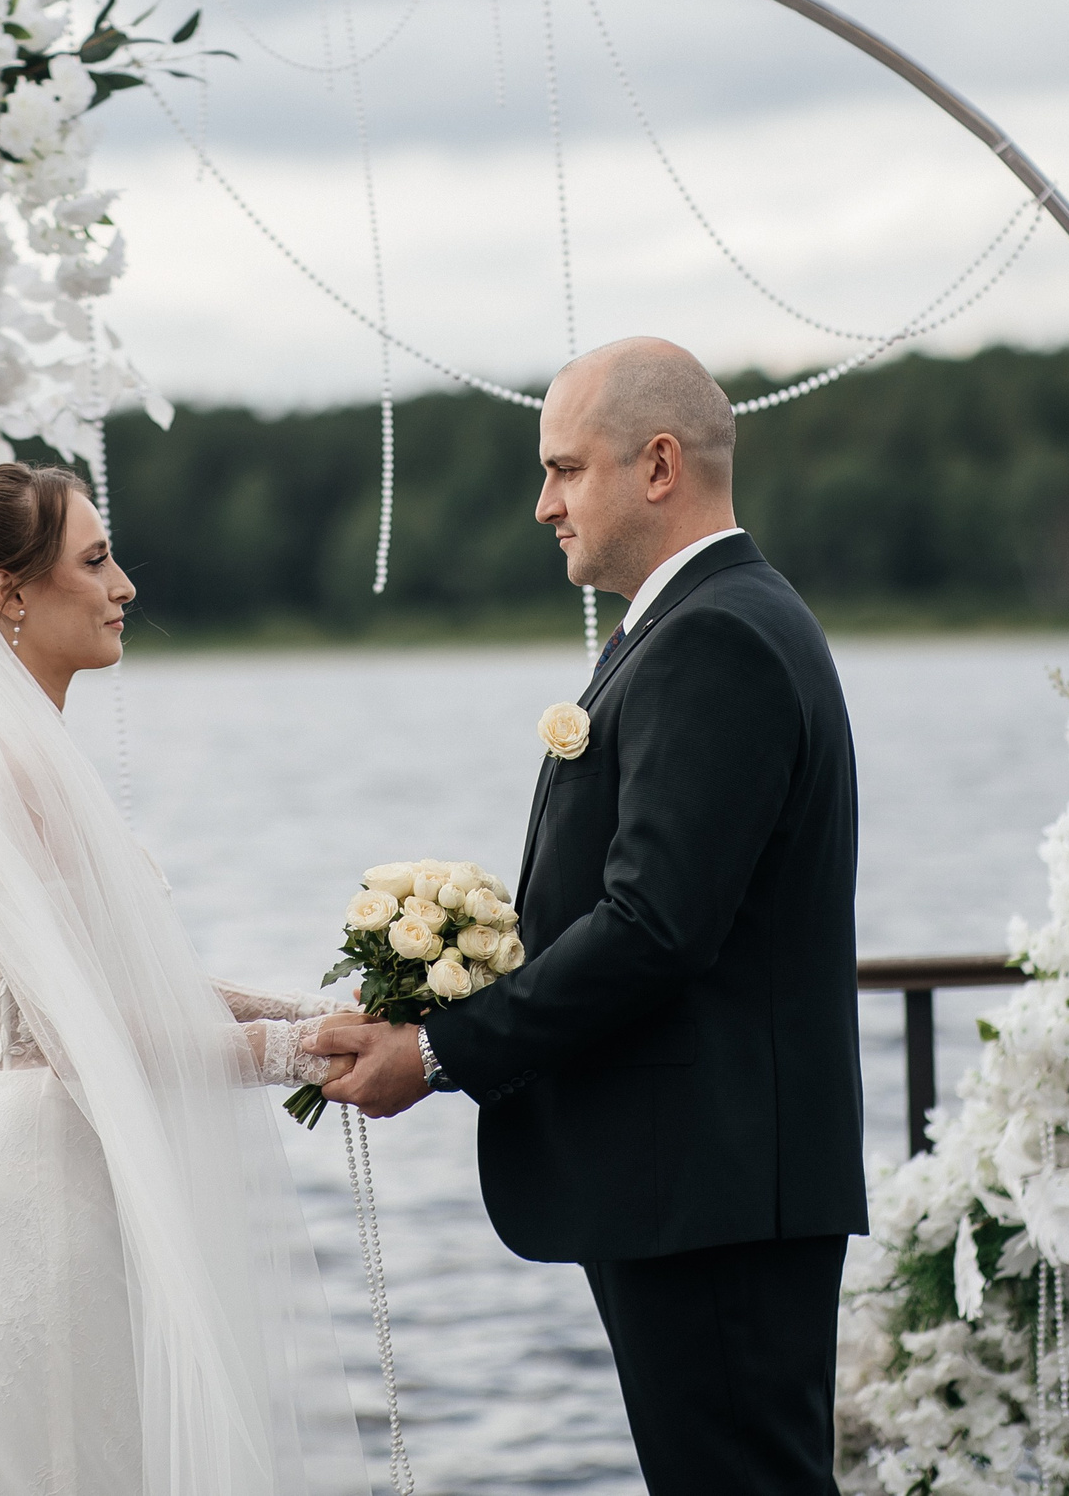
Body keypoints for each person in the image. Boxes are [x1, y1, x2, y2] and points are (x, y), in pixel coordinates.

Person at [323, 337, 868, 1496]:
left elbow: (655, 925)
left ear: (657, 465)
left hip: (709, 1190)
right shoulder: (708, 621)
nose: (543, 504)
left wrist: (439, 1050)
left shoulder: (713, 637)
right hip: (704, 1183)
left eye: (564, 468)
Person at [0, 438, 372, 1496]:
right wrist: (296, 1051)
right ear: (10, 593)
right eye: (96, 561)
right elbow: (83, 1035)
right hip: (41, 1192)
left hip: (75, 1167)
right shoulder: (6, 767)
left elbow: (132, 986)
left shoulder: (26, 754)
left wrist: (323, 1015)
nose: (125, 588)